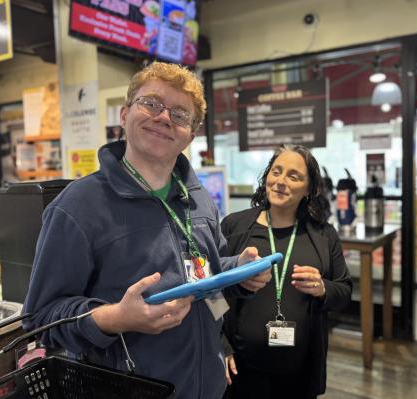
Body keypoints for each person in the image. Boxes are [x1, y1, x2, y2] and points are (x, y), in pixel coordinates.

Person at [22, 62, 271, 399]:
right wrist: (115, 318)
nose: (165, 117)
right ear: (124, 115)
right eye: (151, 103)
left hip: (208, 388)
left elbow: (202, 271)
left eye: (180, 114)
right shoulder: (76, 207)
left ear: (191, 134)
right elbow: (41, 320)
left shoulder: (198, 199)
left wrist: (237, 270)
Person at [221, 145, 352, 399]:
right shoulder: (234, 227)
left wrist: (323, 288)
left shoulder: (323, 235)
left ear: (309, 189)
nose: (280, 182)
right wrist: (220, 345)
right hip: (241, 369)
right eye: (276, 172)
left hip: (300, 373)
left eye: (294, 176)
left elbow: (344, 291)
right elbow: (211, 292)